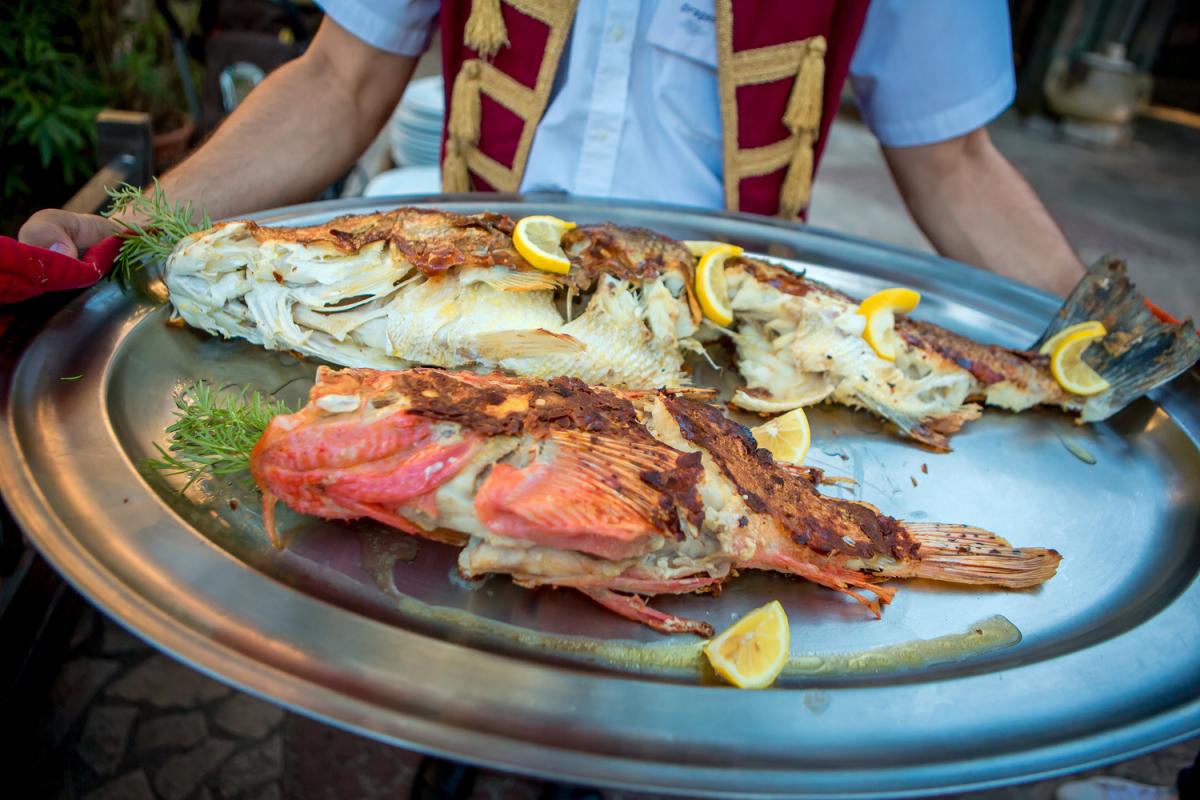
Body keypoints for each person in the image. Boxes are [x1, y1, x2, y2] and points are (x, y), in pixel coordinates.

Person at [19, 0, 1085, 297]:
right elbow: (340, 80)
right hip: (467, 288)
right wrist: (127, 225)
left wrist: (1112, 337)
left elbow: (955, 164)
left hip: (716, 322)